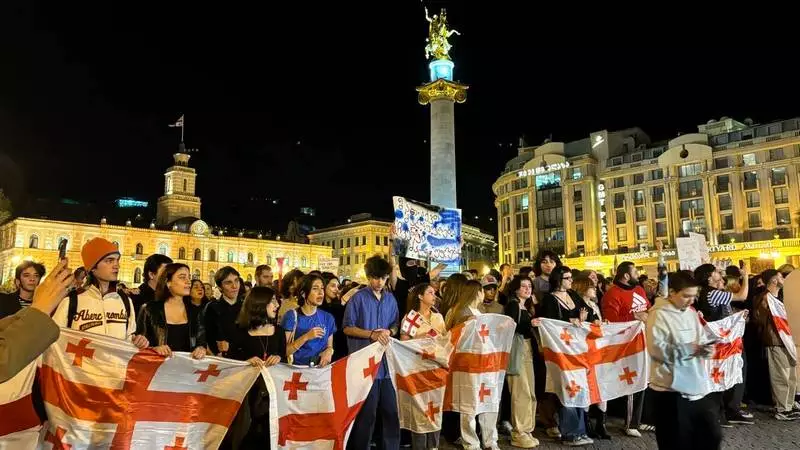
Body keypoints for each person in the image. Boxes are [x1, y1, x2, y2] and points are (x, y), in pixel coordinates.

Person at [647, 271, 721, 449]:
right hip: (670, 391)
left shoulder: (690, 313)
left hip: (697, 386)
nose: (691, 301)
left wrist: (707, 348)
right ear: (672, 292)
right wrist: (691, 349)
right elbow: (657, 350)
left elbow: (701, 339)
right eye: (686, 296)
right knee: (677, 442)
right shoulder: (658, 315)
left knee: (711, 437)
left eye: (694, 296)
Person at [343, 255, 399, 450]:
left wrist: (389, 331)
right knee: (367, 414)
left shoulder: (390, 299)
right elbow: (348, 328)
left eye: (383, 278)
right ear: (368, 277)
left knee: (391, 411)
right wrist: (371, 334)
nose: (379, 282)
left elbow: (395, 325)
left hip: (386, 365)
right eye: (375, 278)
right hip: (365, 365)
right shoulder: (357, 299)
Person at [52, 238, 148, 348]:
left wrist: (139, 341)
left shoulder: (125, 301)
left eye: (117, 260)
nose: (116, 265)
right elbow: (54, 342)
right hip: (81, 364)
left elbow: (129, 339)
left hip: (116, 365)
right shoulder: (71, 301)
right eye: (109, 260)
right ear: (92, 267)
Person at [539, 265, 595, 446]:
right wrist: (569, 321)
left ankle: (580, 430)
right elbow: (549, 323)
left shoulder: (574, 296)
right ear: (558, 280)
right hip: (561, 352)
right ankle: (570, 432)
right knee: (567, 389)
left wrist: (583, 319)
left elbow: (590, 313)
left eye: (571, 278)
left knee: (579, 389)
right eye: (568, 278)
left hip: (576, 352)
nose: (571, 281)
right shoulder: (550, 299)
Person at [226, 286, 286, 449]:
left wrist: (279, 358)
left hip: (271, 395)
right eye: (272, 301)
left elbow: (285, 362)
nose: (277, 305)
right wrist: (246, 361)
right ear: (260, 304)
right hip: (247, 395)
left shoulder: (279, 332)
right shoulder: (240, 331)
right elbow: (230, 362)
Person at [694, 263, 752, 425]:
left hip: (723, 340)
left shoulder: (710, 293)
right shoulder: (712, 294)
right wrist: (745, 276)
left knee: (726, 373)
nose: (719, 273)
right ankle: (723, 412)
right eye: (715, 272)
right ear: (709, 277)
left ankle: (725, 411)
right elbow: (742, 296)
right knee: (722, 374)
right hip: (721, 341)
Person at [0, 258, 73, 383]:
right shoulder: (3, 300)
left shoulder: (53, 303)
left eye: (36, 276)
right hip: (12, 375)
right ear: (17, 281)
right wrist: (38, 311)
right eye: (26, 275)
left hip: (37, 371)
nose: (32, 279)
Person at [600, 261, 649, 437]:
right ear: (626, 276)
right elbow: (611, 320)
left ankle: (641, 419)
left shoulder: (640, 290)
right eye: (635, 270)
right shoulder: (612, 294)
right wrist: (634, 316)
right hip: (626, 345)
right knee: (633, 381)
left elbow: (647, 309)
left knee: (644, 380)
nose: (638, 273)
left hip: (644, 341)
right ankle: (630, 422)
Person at [399, 282, 446, 450]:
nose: (434, 296)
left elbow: (444, 341)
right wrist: (421, 339)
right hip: (417, 371)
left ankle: (433, 446)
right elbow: (403, 345)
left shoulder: (438, 317)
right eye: (430, 292)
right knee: (419, 411)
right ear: (420, 296)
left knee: (435, 410)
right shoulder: (410, 318)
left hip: (436, 370)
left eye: (434, 293)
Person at [753, 269, 798, 421]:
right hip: (775, 341)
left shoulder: (778, 298)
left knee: (791, 376)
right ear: (773, 280)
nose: (783, 278)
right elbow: (758, 319)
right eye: (780, 276)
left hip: (787, 341)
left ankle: (789, 405)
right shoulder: (765, 299)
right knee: (780, 376)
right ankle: (781, 409)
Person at [136, 263, 207, 359]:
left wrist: (201, 349)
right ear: (168, 282)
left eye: (189, 277)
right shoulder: (149, 309)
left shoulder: (196, 312)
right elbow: (138, 345)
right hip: (157, 369)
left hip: (187, 370)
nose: (188, 282)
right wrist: (154, 349)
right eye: (182, 277)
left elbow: (201, 342)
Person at [503, 276, 540, 448]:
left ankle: (526, 429)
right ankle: (519, 431)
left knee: (529, 391)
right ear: (516, 289)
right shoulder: (513, 305)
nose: (527, 289)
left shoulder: (526, 306)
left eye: (529, 286)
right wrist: (530, 323)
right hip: (517, 350)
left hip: (527, 350)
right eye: (523, 286)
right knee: (520, 391)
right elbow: (512, 326)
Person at [572, 276, 610, 440]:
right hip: (587, 351)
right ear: (582, 288)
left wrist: (603, 323)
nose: (595, 289)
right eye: (591, 287)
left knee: (602, 386)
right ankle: (587, 424)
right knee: (589, 386)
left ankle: (601, 424)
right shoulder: (579, 306)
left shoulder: (594, 304)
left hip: (598, 350)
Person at [282, 274, 336, 366]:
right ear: (303, 293)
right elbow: (285, 351)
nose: (320, 292)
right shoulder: (291, 316)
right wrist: (306, 337)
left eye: (322, 288)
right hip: (297, 372)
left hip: (320, 371)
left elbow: (329, 346)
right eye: (315, 288)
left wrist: (329, 351)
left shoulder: (328, 317)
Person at [204, 266, 243, 355]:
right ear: (220, 287)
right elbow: (207, 337)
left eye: (236, 280)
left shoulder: (247, 307)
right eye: (228, 283)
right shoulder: (212, 308)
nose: (234, 286)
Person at [320, 272, 348, 361]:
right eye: (333, 286)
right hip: (323, 352)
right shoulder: (318, 308)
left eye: (337, 287)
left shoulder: (340, 306)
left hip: (340, 350)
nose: (336, 289)